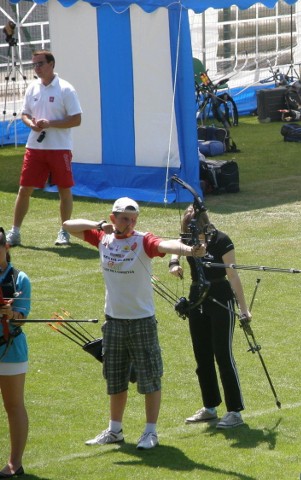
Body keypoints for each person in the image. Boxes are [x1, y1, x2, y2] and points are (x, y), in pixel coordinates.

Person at [63, 198, 206, 450]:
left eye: (133, 219)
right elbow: (68, 224)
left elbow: (164, 244)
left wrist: (189, 249)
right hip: (114, 321)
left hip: (141, 322)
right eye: (125, 218)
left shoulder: (143, 240)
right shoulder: (102, 238)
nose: (130, 224)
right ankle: (114, 430)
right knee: (115, 378)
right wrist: (97, 225)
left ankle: (150, 432)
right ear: (113, 218)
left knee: (150, 378)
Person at [169, 206, 250, 429]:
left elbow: (233, 276)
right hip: (197, 297)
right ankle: (210, 406)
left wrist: (243, 309)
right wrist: (174, 263)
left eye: (195, 232)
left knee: (223, 355)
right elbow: (176, 245)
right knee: (202, 356)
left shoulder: (222, 240)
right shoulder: (187, 239)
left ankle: (234, 411)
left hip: (220, 297)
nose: (193, 238)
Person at [6, 50, 82, 248]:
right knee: (24, 189)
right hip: (35, 146)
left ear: (51, 64)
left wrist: (51, 123)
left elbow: (77, 119)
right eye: (34, 64)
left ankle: (64, 230)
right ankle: (15, 232)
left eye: (40, 64)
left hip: (60, 148)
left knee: (64, 190)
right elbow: (24, 114)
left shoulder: (66, 89)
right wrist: (31, 124)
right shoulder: (32, 88)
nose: (36, 68)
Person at [0, 227, 31, 478]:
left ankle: (15, 463)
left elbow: (21, 318)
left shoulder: (19, 279)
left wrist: (11, 315)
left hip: (10, 350)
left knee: (13, 405)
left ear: (6, 247)